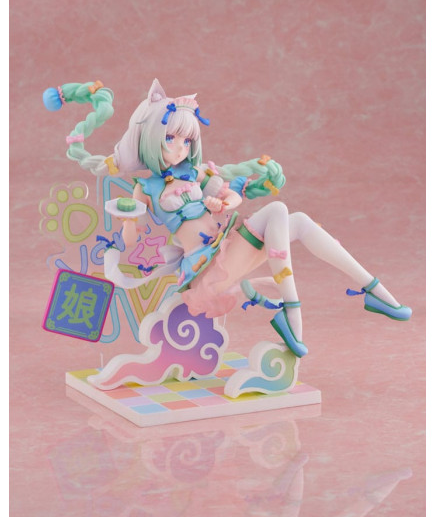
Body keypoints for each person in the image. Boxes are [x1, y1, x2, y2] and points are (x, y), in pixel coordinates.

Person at [43, 79, 412, 358]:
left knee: (298, 220)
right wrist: (121, 229)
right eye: (171, 139)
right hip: (205, 269)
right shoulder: (146, 189)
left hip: (229, 244)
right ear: (151, 140)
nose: (180, 147)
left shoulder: (198, 174)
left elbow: (231, 195)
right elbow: (131, 239)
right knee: (279, 211)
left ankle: (373, 290)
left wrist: (224, 204)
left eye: (187, 141)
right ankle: (293, 310)